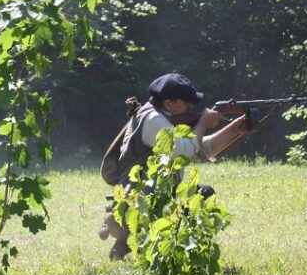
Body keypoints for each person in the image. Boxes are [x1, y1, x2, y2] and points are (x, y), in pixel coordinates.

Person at [101, 72, 250, 260]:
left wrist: (235, 129)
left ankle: (142, 245)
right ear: (169, 103)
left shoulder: (160, 117)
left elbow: (199, 149)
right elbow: (183, 151)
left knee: (203, 193)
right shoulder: (153, 120)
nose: (190, 107)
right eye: (186, 102)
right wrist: (203, 122)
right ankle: (136, 242)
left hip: (153, 199)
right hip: (141, 201)